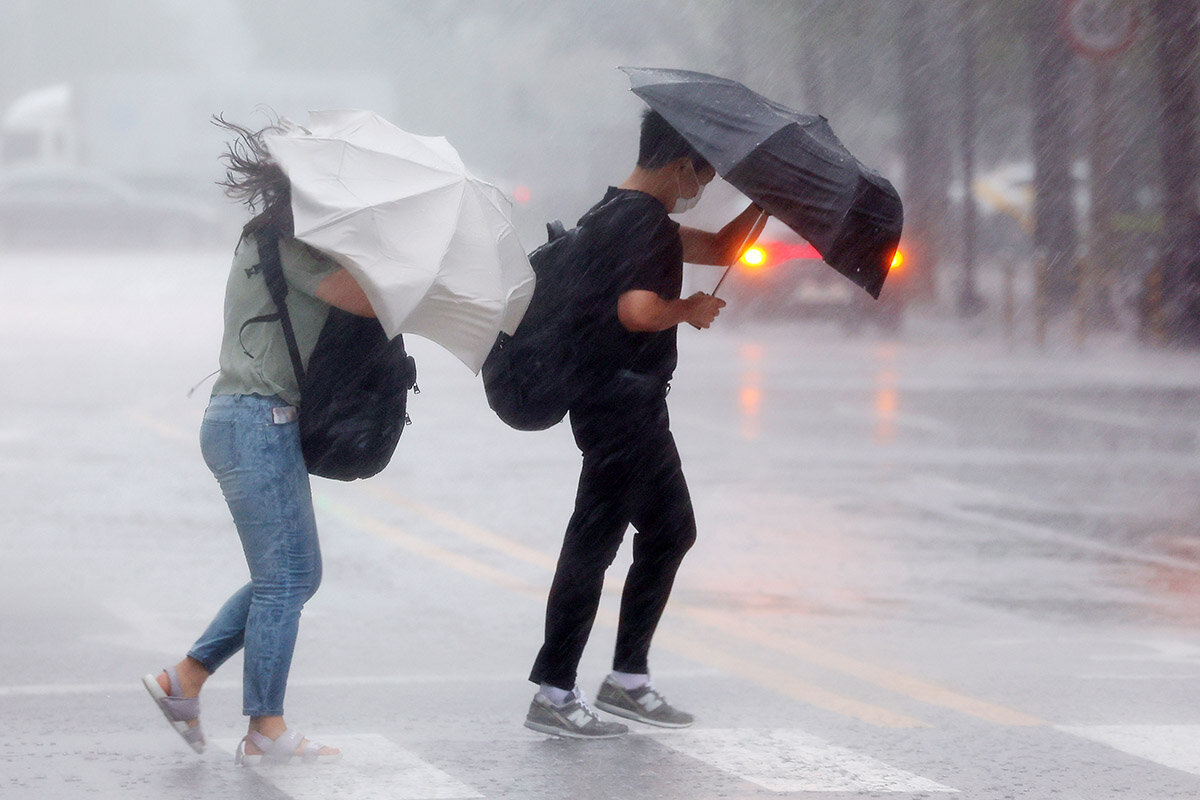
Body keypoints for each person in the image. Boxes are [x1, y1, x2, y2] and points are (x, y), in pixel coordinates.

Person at [524, 109, 766, 739]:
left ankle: (625, 678)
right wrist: (687, 309)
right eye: (703, 174)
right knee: (596, 543)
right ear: (680, 164)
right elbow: (635, 311)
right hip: (622, 406)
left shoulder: (617, 214)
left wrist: (765, 202)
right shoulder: (644, 225)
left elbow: (715, 248)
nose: (704, 186)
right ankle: (557, 689)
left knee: (667, 530)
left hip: (616, 402)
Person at [141, 118, 375, 764]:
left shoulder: (274, 235)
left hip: (251, 418)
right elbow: (360, 299)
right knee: (284, 581)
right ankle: (264, 730)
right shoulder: (289, 243)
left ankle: (184, 680)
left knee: (299, 576)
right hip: (255, 420)